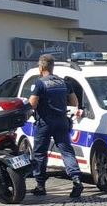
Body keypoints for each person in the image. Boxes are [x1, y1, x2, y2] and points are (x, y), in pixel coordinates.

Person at [28, 54, 83, 198]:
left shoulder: (40, 83)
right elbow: (74, 101)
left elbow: (32, 104)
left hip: (45, 122)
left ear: (41, 68)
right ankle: (76, 179)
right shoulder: (64, 82)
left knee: (40, 153)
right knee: (67, 151)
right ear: (52, 67)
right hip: (62, 121)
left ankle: (40, 186)